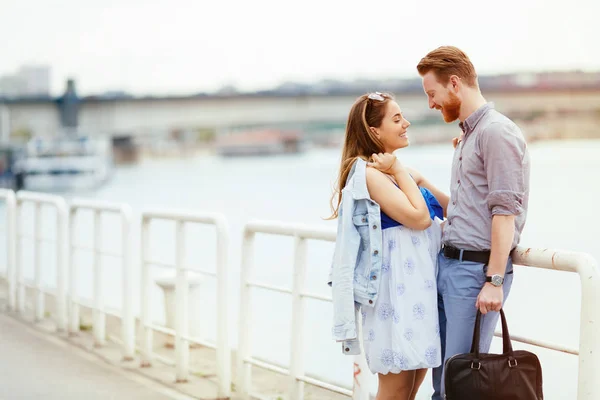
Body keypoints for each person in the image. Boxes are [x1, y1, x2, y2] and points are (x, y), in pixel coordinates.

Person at [416, 46, 531, 400]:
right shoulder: (469, 136)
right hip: (449, 266)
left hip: (474, 274)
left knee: (462, 383)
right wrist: (421, 185)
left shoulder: (496, 134)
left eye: (432, 94)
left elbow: (504, 213)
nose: (432, 104)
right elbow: (467, 212)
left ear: (454, 84)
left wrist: (494, 279)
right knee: (444, 379)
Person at [328, 92, 449, 400]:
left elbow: (453, 209)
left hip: (417, 295)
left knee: (409, 389)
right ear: (374, 131)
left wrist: (417, 176)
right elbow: (420, 219)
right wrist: (399, 172)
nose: (406, 123)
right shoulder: (370, 175)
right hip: (394, 298)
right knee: (395, 390)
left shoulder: (402, 174)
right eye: (396, 119)